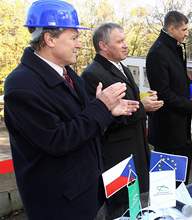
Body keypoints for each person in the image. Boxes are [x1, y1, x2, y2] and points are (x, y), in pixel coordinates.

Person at [3, 1, 139, 219]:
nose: (79, 45)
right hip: (59, 203)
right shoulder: (22, 86)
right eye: (74, 38)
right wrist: (101, 107)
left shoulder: (67, 73)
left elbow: (83, 121)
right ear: (49, 39)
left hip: (86, 192)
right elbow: (58, 140)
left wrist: (107, 112)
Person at [81, 23, 164, 218]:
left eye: (125, 40)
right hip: (117, 157)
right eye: (120, 41)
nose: (125, 45)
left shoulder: (121, 67)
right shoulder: (92, 75)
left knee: (135, 206)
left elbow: (129, 101)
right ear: (103, 45)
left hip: (136, 150)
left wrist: (144, 101)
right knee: (121, 209)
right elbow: (99, 120)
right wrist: (142, 107)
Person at [146, 11, 192, 184]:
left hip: (180, 124)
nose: (187, 33)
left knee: (182, 176)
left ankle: (181, 202)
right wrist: (189, 103)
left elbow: (180, 77)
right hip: (167, 128)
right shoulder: (157, 53)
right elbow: (163, 92)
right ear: (171, 28)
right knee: (167, 182)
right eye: (184, 29)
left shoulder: (175, 47)